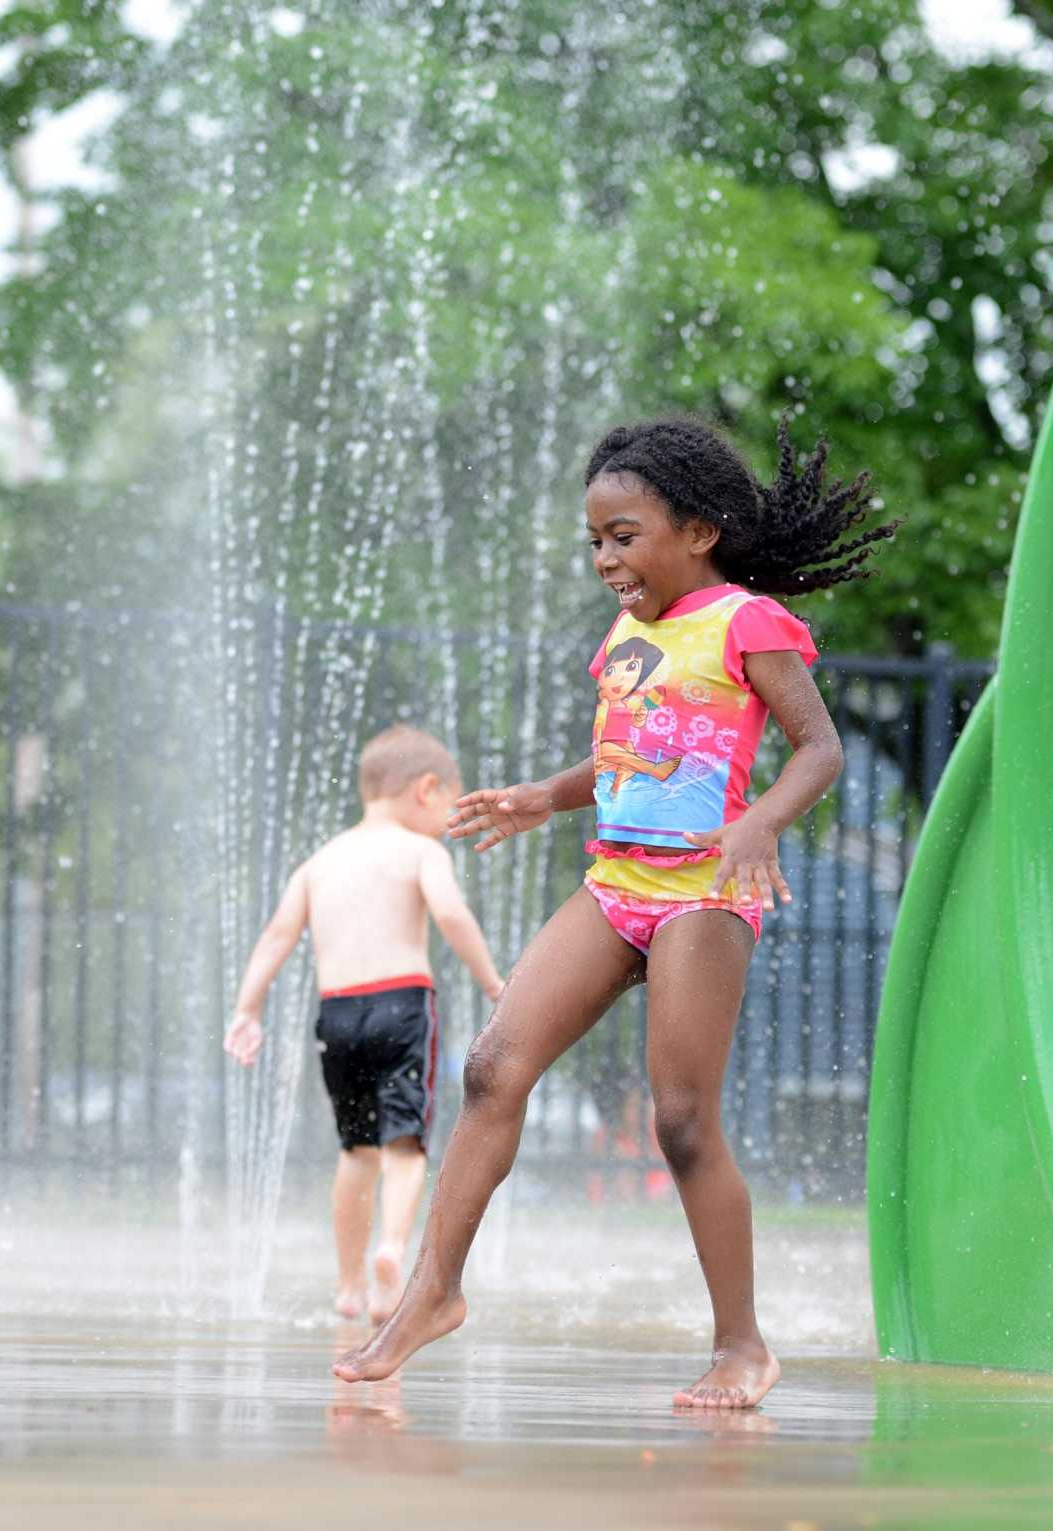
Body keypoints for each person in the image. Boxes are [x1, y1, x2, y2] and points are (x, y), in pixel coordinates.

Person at [333, 415, 895, 1409]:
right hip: (616, 882)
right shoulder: (631, 633)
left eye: (623, 535)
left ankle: (741, 1346)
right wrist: (545, 795)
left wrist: (761, 821)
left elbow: (818, 750)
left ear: (699, 529)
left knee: (680, 1121)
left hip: (704, 893)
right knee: (491, 1067)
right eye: (594, 539)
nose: (604, 557)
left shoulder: (745, 623)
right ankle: (431, 1291)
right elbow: (633, 754)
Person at [225, 725, 506, 1322]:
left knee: (355, 1150)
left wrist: (247, 1010)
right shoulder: (421, 853)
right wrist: (492, 982)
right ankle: (391, 1249)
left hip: (338, 1012)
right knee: (404, 1145)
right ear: (426, 790)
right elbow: (451, 915)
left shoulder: (319, 862)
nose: (445, 824)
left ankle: (350, 1286)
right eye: (448, 806)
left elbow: (276, 938)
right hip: (402, 1006)